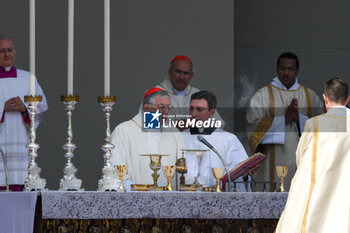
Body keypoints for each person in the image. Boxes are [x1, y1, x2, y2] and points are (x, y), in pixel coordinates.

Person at [275, 78, 350, 233]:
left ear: (325, 98)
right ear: (348, 99)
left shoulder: (314, 125)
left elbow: (301, 159)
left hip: (321, 190)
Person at [246, 52, 324, 191]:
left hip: (301, 162)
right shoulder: (262, 95)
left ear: (297, 70)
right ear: (277, 69)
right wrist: (284, 119)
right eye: (283, 68)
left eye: (290, 69)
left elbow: (323, 127)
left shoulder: (309, 96)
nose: (286, 73)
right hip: (270, 166)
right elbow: (252, 129)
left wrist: (299, 119)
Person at [110, 87, 183, 189]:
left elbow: (184, 169)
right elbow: (115, 169)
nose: (166, 112)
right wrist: (135, 192)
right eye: (161, 107)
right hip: (135, 200)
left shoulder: (174, 133)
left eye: (168, 107)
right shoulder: (123, 131)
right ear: (147, 108)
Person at [0, 35, 48, 191]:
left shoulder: (27, 78)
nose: (7, 54)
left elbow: (42, 106)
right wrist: (3, 108)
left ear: (14, 52)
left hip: (21, 143)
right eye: (2, 51)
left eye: (10, 50)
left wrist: (25, 109)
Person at [182, 91, 249, 191]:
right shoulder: (179, 137)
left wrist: (223, 186)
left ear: (212, 112)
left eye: (199, 109)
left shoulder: (228, 140)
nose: (193, 114)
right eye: (191, 109)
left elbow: (239, 174)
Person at [156, 55, 223, 129]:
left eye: (186, 73)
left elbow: (219, 123)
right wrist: (175, 127)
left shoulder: (199, 95)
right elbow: (148, 127)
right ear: (169, 72)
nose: (182, 77)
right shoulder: (154, 94)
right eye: (178, 72)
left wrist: (200, 124)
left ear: (191, 76)